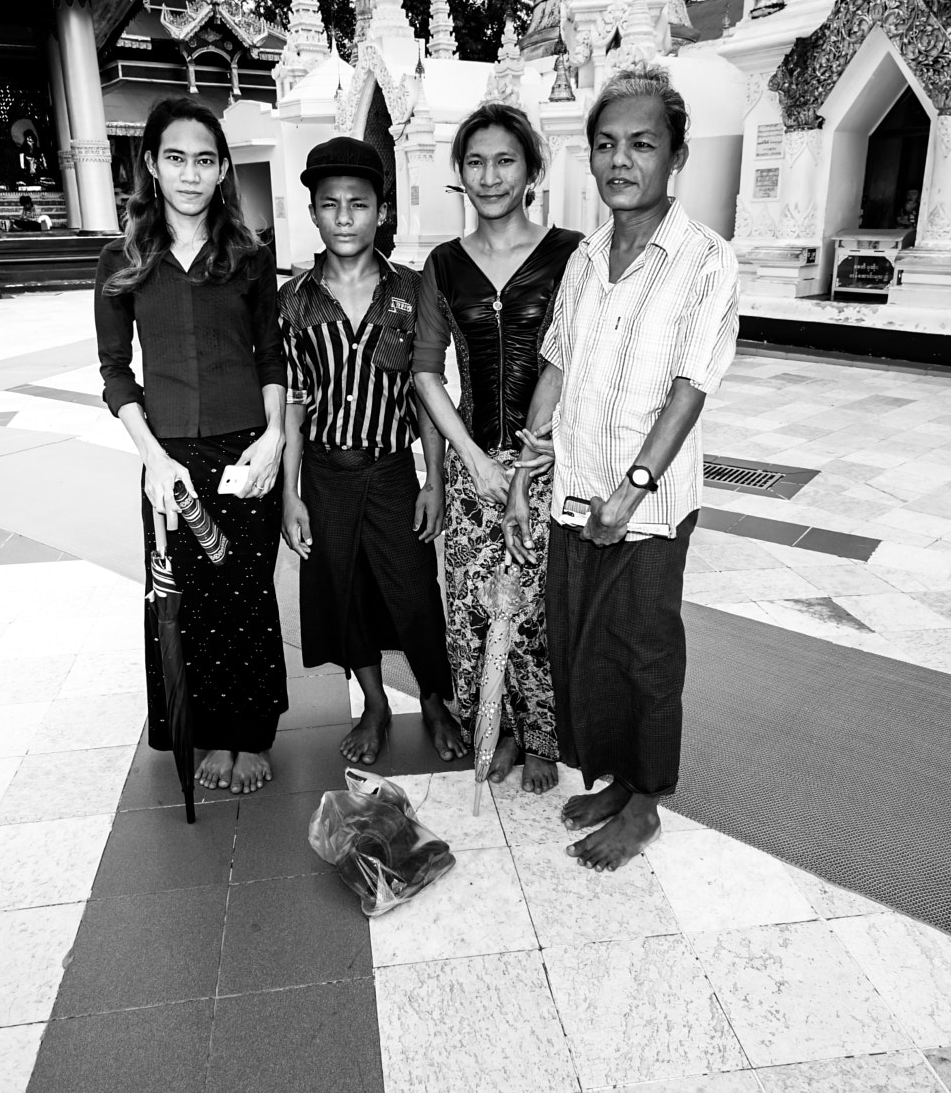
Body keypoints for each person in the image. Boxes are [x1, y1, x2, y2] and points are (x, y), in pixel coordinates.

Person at [504, 64, 739, 872]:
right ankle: (611, 776)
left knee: (642, 647)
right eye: (605, 144)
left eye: (641, 143)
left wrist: (632, 488)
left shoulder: (705, 259)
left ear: (676, 155)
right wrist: (530, 459)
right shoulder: (585, 257)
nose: (619, 160)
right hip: (574, 487)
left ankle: (646, 801)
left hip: (647, 499)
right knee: (582, 645)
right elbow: (559, 365)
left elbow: (690, 387)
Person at [95, 97, 288, 795]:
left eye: (205, 159)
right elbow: (115, 371)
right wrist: (153, 455)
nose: (189, 173)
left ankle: (251, 734)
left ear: (223, 168)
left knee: (245, 590)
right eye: (175, 157)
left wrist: (272, 440)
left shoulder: (248, 255)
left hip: (244, 453)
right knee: (183, 597)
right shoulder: (123, 259)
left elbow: (271, 356)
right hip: (166, 457)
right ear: (151, 163)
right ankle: (203, 727)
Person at [280, 136, 468, 767]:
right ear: (313, 212)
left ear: (381, 212)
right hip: (326, 471)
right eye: (329, 204)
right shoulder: (294, 302)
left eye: (357, 204)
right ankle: (375, 703)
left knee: (414, 590)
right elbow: (294, 403)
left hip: (391, 469)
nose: (343, 217)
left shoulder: (413, 294)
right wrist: (290, 495)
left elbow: (424, 392)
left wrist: (433, 481)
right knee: (345, 590)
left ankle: (436, 701)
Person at [412, 103, 582, 794]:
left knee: (536, 603)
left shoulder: (572, 253)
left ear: (533, 170)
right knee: (476, 604)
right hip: (468, 462)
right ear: (460, 174)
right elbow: (426, 371)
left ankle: (544, 734)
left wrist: (527, 458)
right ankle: (504, 727)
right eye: (475, 162)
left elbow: (566, 360)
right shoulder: (444, 265)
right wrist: (472, 461)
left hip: (545, 465)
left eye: (505, 160)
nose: (489, 176)